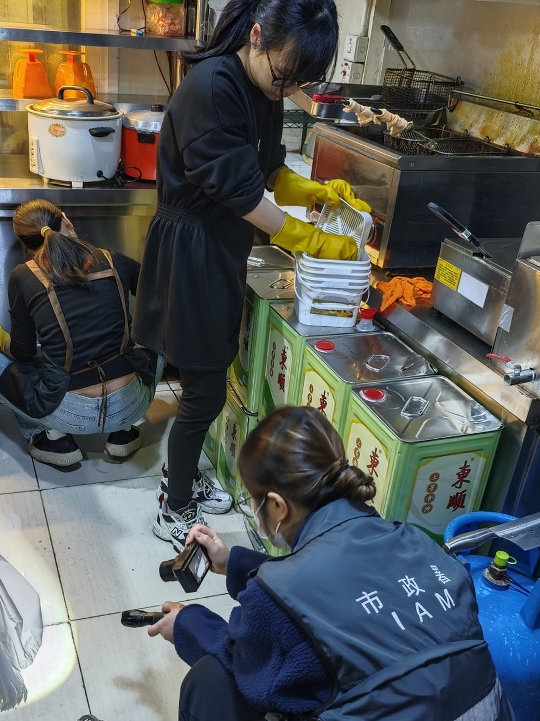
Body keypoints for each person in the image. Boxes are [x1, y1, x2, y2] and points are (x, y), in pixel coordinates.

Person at [147, 407, 522, 721]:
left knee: (207, 685)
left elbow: (248, 661)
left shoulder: (279, 596)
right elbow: (339, 593)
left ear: (277, 505)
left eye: (254, 500)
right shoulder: (421, 545)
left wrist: (187, 623)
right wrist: (235, 562)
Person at [133, 0, 372, 550]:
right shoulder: (214, 86)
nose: (285, 90)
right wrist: (310, 238)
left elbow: (265, 171)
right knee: (203, 391)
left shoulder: (263, 88)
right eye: (284, 76)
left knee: (208, 379)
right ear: (258, 35)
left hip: (219, 249)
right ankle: (174, 503)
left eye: (297, 84)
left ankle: (182, 475)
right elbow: (242, 195)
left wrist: (313, 193)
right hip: (191, 253)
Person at [0, 200, 161, 468]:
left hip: (67, 412)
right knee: (159, 348)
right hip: (131, 402)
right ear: (66, 220)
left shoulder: (23, 276)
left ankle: (52, 438)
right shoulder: (112, 260)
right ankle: (123, 431)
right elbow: (158, 299)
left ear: (25, 244)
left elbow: (23, 353)